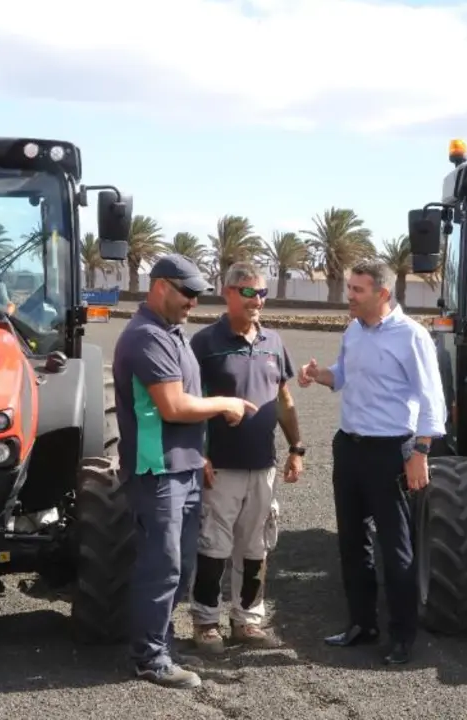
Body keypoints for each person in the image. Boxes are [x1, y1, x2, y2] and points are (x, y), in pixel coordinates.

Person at [112, 254, 258, 690]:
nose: (194, 301)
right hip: (158, 472)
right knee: (162, 568)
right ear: (159, 286)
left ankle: (154, 638)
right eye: (187, 292)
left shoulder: (172, 334)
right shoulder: (146, 338)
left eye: (198, 293)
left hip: (185, 470)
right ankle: (149, 657)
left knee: (181, 570)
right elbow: (174, 406)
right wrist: (226, 405)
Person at [297, 259, 446, 666]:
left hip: (391, 451)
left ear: (382, 294)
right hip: (350, 447)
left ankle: (402, 637)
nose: (350, 296)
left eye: (357, 290)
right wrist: (320, 374)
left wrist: (421, 452)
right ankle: (362, 624)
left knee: (396, 547)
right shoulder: (354, 330)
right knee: (352, 541)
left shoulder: (411, 336)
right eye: (349, 288)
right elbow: (344, 374)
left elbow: (432, 400)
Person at [187, 262, 305, 654]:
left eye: (262, 293)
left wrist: (296, 448)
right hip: (219, 466)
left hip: (263, 465)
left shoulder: (273, 341)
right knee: (213, 545)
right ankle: (205, 622)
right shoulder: (204, 344)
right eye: (248, 292)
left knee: (256, 546)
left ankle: (247, 621)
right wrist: (199, 454)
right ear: (228, 293)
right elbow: (190, 402)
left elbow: (285, 401)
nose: (257, 300)